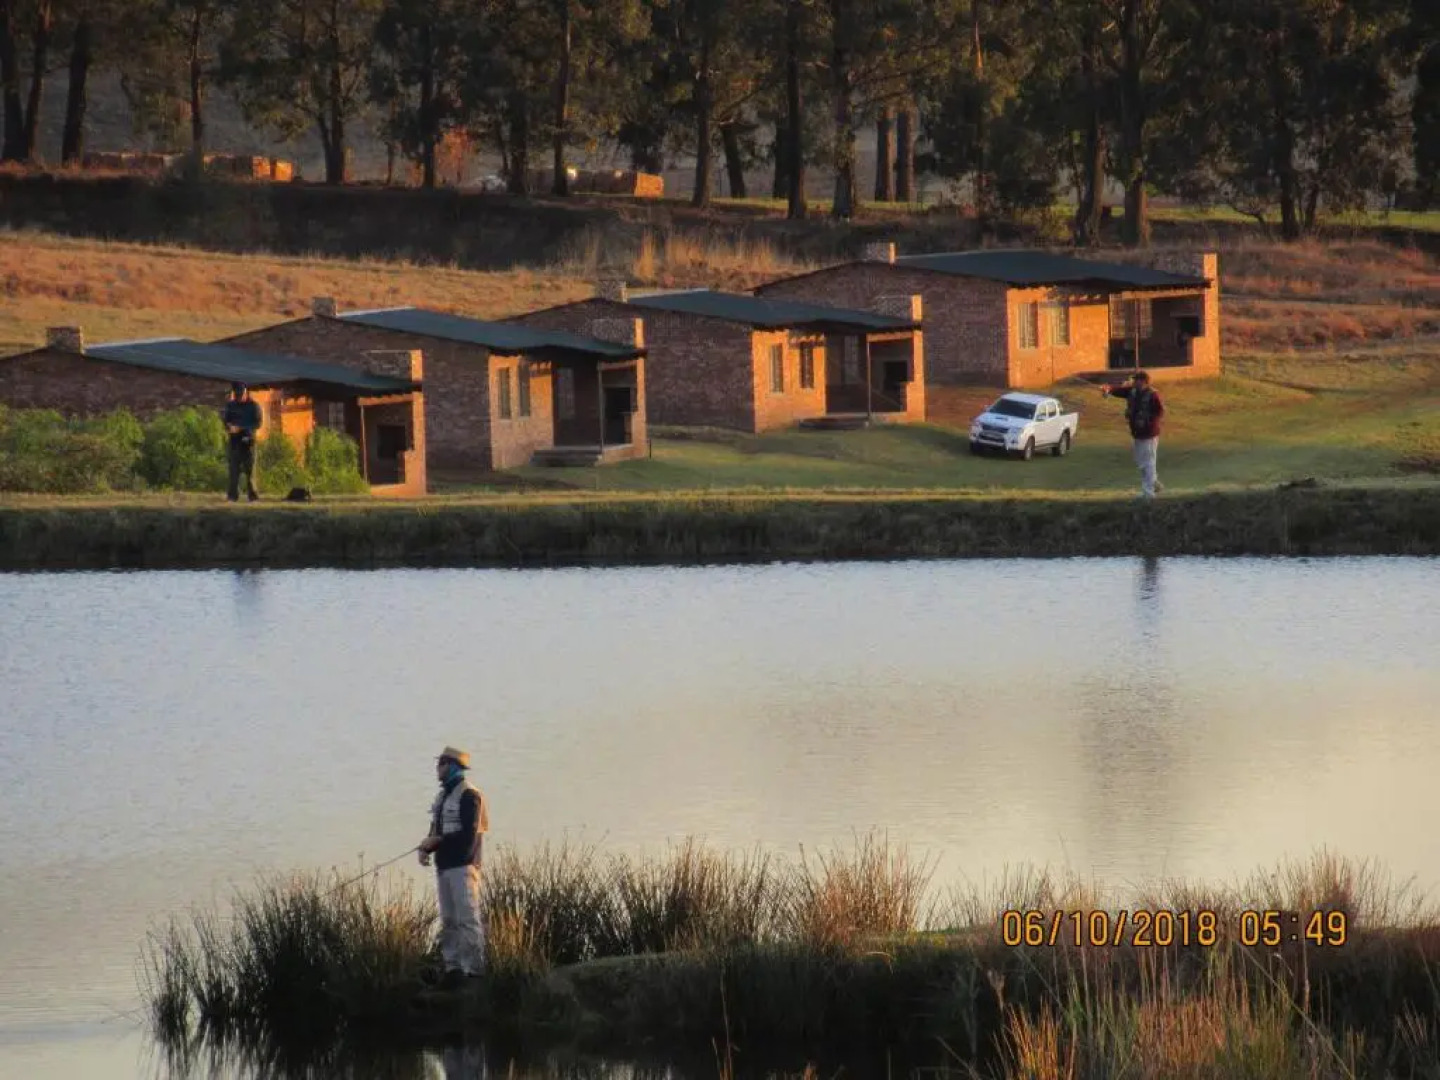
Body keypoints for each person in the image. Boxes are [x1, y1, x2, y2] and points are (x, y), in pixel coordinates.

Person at [419, 746, 489, 985]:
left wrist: (438, 841)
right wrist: (425, 848)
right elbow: (435, 828)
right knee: (448, 919)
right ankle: (453, 969)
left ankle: (474, 971)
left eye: (442, 763)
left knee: (467, 918)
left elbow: (469, 834)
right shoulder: (441, 797)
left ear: (454, 766)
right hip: (444, 867)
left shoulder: (470, 795)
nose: (437, 767)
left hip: (464, 865)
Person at [1101, 370, 1165, 498]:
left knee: (1148, 462)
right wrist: (1109, 389)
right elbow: (1119, 391)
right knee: (1141, 461)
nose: (1133, 382)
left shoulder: (1153, 395)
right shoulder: (1133, 391)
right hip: (1137, 433)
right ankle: (1154, 484)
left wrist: (1148, 422)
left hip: (1149, 434)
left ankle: (1148, 493)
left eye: (1136, 380)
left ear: (1143, 381)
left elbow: (1160, 412)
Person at [221, 382, 262, 502]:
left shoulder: (254, 406)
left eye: (241, 394)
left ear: (245, 392)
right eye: (237, 394)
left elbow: (258, 423)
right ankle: (232, 496)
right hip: (235, 442)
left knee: (250, 472)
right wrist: (229, 427)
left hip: (248, 441)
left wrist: (241, 428)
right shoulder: (231, 405)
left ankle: (253, 496)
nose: (239, 397)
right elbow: (225, 420)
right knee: (233, 471)